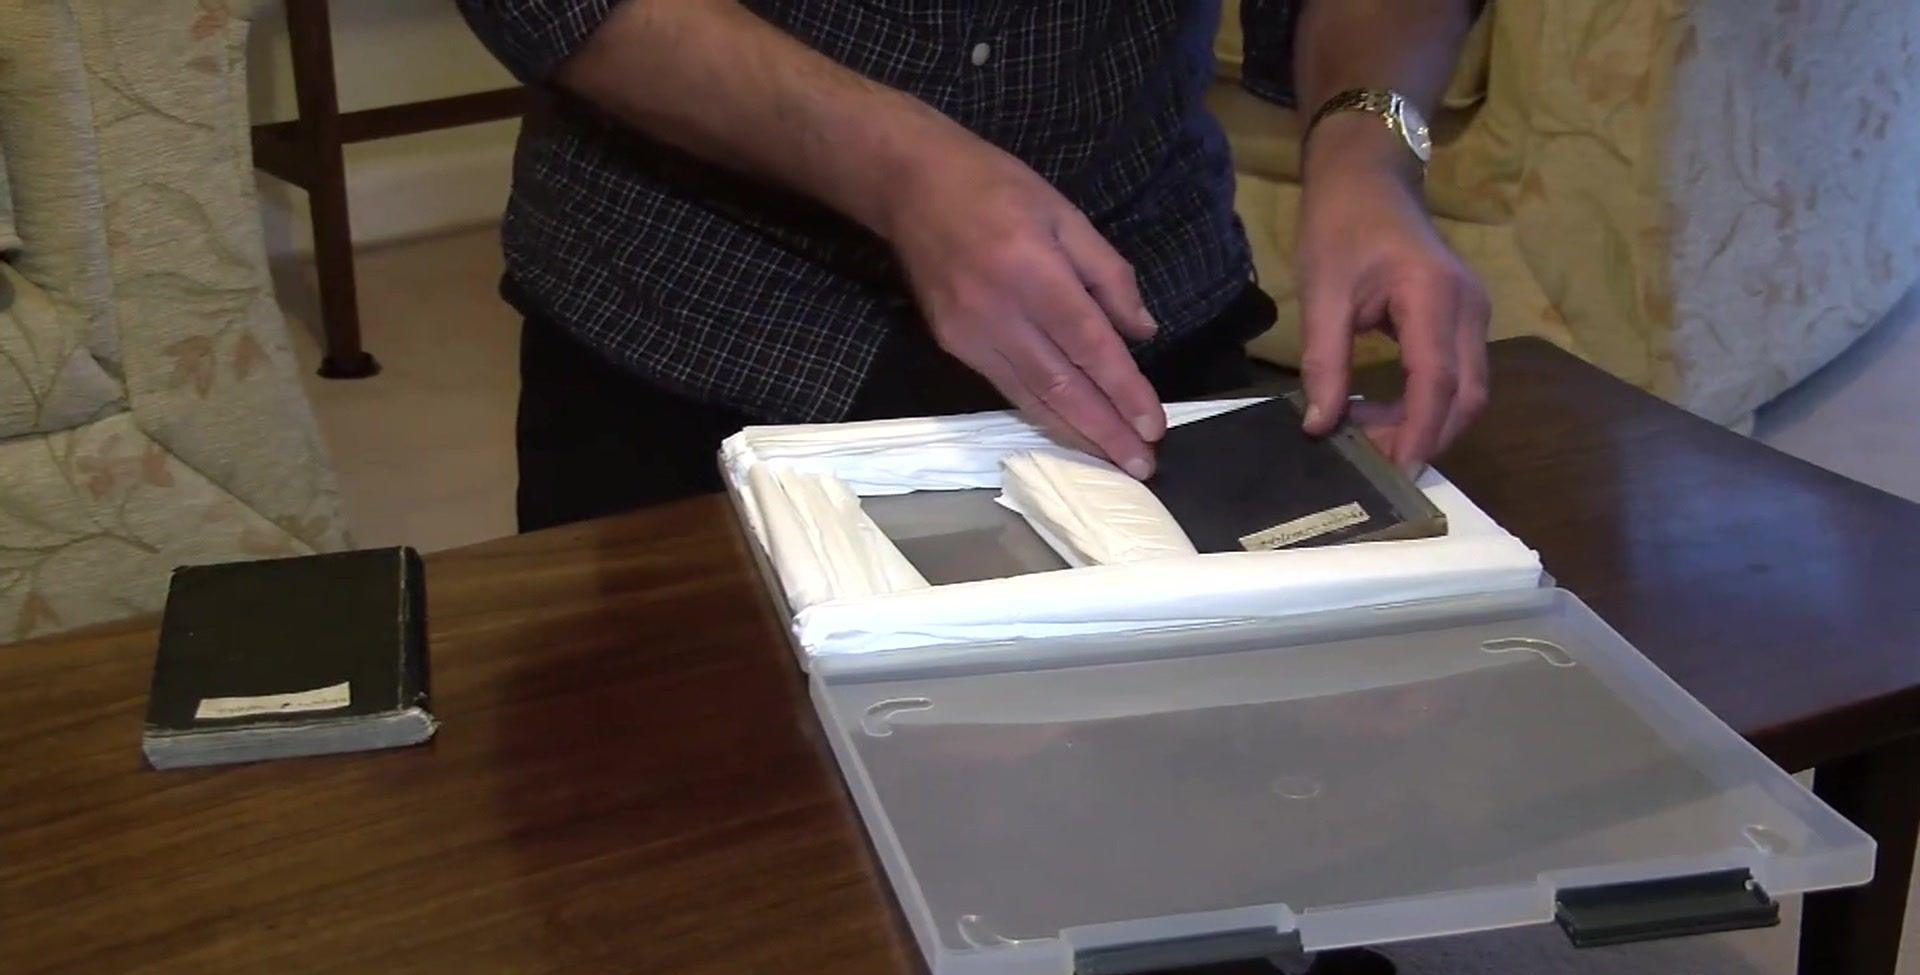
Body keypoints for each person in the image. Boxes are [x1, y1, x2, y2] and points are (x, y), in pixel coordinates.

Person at [458, 0, 1489, 532]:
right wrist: (897, 167)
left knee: (1179, 832)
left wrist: (1369, 152)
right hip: (692, 310)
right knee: (686, 869)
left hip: (1136, 294)